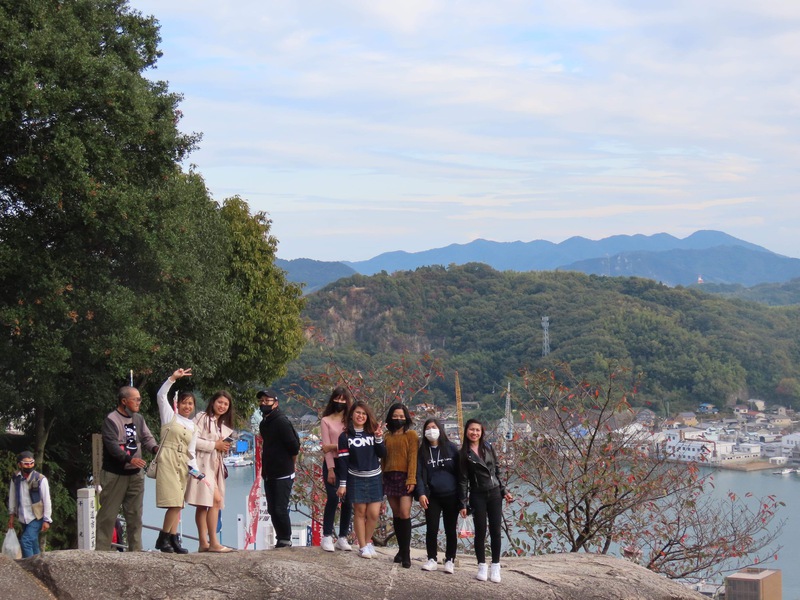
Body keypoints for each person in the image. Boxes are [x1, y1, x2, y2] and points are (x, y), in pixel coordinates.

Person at [95, 385, 158, 551]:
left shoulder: (138, 419)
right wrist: (130, 459)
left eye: (139, 399)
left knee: (135, 516)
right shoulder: (111, 420)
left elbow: (147, 438)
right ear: (124, 401)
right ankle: (101, 553)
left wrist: (155, 448)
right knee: (108, 516)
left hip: (136, 475)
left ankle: (135, 552)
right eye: (135, 399)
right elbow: (112, 446)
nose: (139, 402)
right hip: (115, 474)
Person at [458, 418, 513, 583]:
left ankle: (495, 566)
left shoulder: (488, 447)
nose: (474, 433)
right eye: (471, 429)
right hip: (477, 494)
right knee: (480, 531)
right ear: (466, 431)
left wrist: (504, 491)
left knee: (496, 531)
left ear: (481, 432)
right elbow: (462, 480)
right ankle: (482, 565)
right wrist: (463, 503)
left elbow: (496, 471)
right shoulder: (463, 454)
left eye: (477, 430)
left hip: (494, 493)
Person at [154, 368, 203, 554]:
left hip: (182, 464)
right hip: (168, 459)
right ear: (178, 404)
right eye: (184, 403)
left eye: (191, 404)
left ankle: (173, 540)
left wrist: (196, 470)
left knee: (179, 504)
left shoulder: (193, 426)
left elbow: (191, 451)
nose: (187, 407)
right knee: (174, 503)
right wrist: (173, 379)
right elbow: (161, 395)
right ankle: (163, 538)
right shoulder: (169, 416)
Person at [185, 390, 234, 552]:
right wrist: (214, 445)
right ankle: (213, 542)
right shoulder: (201, 418)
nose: (222, 406)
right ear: (213, 402)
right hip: (202, 466)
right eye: (220, 402)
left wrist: (223, 447)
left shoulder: (222, 425)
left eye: (226, 404)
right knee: (216, 501)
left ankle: (203, 543)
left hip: (215, 467)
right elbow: (191, 440)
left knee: (204, 504)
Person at [336, 400, 385, 560]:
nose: (360, 416)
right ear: (352, 415)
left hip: (374, 477)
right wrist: (342, 484)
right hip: (355, 478)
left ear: (367, 416)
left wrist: (378, 438)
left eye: (364, 413)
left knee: (373, 514)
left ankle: (368, 541)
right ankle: (362, 546)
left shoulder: (372, 432)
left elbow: (382, 453)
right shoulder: (345, 437)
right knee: (360, 512)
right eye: (358, 412)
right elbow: (343, 462)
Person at [416, 418, 459, 574]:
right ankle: (432, 559)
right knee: (432, 528)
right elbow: (419, 474)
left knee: (450, 529)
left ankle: (450, 560)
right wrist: (420, 493)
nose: (431, 430)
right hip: (432, 496)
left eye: (433, 427)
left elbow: (460, 473)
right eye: (427, 428)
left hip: (451, 495)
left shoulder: (451, 448)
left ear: (440, 429)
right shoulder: (422, 451)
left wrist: (463, 498)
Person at [258, 389, 300, 548]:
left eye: (267, 401)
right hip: (269, 472)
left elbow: (294, 446)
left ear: (275, 403)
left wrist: (289, 465)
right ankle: (280, 538)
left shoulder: (281, 421)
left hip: (283, 472)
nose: (263, 404)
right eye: (261, 401)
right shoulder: (264, 423)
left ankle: (285, 539)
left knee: (280, 508)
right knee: (271, 509)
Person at [382, 402, 418, 568]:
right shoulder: (386, 437)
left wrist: (411, 479)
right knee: (396, 514)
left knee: (404, 513)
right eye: (395, 416)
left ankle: (407, 552)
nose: (398, 419)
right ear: (390, 418)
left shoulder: (411, 435)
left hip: (404, 477)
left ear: (406, 418)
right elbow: (383, 459)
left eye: (401, 416)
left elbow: (413, 459)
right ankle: (401, 550)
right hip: (389, 475)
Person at [319, 386, 353, 552]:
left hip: (349, 464)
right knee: (333, 497)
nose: (340, 402)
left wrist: (334, 446)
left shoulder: (350, 421)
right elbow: (325, 449)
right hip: (332, 464)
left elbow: (352, 446)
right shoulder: (326, 420)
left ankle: (342, 537)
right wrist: (331, 470)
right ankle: (326, 536)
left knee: (348, 500)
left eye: (343, 399)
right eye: (337, 399)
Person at [7, 451, 52, 557]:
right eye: (26, 463)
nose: (29, 465)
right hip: (23, 516)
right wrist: (11, 516)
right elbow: (12, 497)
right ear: (19, 464)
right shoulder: (16, 478)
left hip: (36, 517)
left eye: (31, 463)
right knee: (33, 543)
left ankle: (30, 568)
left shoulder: (40, 479)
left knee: (25, 541)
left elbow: (47, 500)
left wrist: (47, 519)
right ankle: (40, 565)